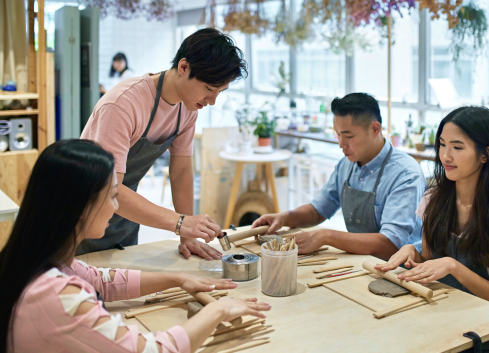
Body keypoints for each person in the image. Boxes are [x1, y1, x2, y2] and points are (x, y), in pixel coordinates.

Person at [0, 139, 270, 353]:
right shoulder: (57, 296)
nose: (116, 207)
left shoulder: (34, 260)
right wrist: (217, 310)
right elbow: (154, 349)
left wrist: (177, 278)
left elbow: (102, 281)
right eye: (113, 196)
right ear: (82, 207)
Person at [80, 28, 248, 258]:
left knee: (121, 286)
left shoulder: (187, 109)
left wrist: (187, 236)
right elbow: (110, 188)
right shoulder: (123, 105)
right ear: (183, 67)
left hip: (124, 218)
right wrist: (180, 223)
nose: (212, 101)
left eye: (220, 91)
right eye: (209, 89)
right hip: (81, 213)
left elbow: (181, 171)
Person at [375, 106, 489, 352]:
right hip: (440, 328)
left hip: (484, 339)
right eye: (442, 144)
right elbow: (430, 261)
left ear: (485, 154)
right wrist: (412, 253)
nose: (445, 156)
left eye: (457, 147)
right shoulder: (433, 199)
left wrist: (454, 266)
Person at [253, 93, 425, 260]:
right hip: (362, 262)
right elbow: (317, 210)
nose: (341, 144)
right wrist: (285, 218)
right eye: (338, 134)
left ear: (375, 129)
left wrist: (326, 236)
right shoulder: (347, 164)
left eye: (349, 136)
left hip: (402, 273)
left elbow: (391, 245)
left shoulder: (405, 174)